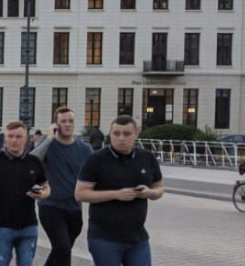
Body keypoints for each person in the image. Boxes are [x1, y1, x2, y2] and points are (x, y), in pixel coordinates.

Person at [75, 116, 164, 266]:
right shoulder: (96, 160)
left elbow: (159, 187)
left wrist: (150, 193)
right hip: (104, 238)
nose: (121, 138)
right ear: (110, 134)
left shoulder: (147, 158)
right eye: (116, 134)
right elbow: (80, 194)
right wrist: (116, 195)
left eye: (126, 134)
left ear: (136, 133)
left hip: (137, 238)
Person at [0, 121, 49, 266]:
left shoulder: (34, 162)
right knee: (1, 262)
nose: (14, 140)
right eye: (10, 136)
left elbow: (46, 186)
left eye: (18, 136)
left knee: (26, 263)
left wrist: (43, 195)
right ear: (5, 138)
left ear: (26, 138)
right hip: (0, 226)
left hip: (28, 226)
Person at [31, 107, 94, 266]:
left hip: (74, 209)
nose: (67, 124)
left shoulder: (84, 149)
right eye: (63, 121)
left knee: (62, 253)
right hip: (51, 206)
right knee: (62, 247)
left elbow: (97, 173)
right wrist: (49, 138)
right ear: (56, 124)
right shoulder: (49, 146)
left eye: (70, 121)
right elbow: (31, 162)